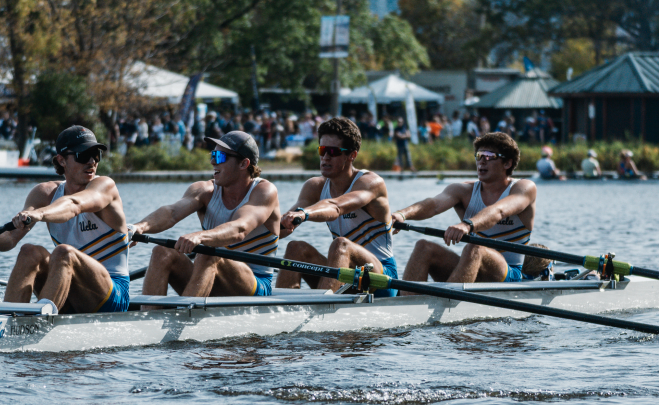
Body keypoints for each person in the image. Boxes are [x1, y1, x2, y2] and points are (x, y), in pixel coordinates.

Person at [0, 126, 132, 314]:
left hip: (113, 295)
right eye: (83, 155)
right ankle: (7, 320)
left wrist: (41, 214)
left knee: (64, 253)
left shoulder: (104, 186)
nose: (92, 161)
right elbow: (10, 239)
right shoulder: (43, 193)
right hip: (69, 289)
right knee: (29, 252)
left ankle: (40, 322)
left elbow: (74, 204)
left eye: (96, 154)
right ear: (61, 160)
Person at [133, 131, 280, 305]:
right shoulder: (205, 190)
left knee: (208, 253)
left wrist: (200, 236)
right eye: (213, 154)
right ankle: (149, 319)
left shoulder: (264, 192)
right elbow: (172, 212)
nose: (212, 161)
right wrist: (138, 227)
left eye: (220, 156)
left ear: (243, 163)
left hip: (255, 286)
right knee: (161, 252)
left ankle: (183, 322)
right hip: (209, 276)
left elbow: (240, 228)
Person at [392, 132, 536, 288]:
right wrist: (402, 214)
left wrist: (467, 225)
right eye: (479, 155)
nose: (481, 161)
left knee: (476, 246)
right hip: (471, 266)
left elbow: (498, 211)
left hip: (510, 274)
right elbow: (433, 205)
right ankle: (408, 301)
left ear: (507, 163)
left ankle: (448, 304)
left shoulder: (524, 188)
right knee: (423, 247)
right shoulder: (463, 190)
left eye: (488, 156)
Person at [275, 117, 399, 297]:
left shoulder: (371, 183)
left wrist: (304, 214)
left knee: (341, 245)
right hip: (345, 273)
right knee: (295, 248)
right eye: (322, 150)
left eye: (333, 152)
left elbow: (336, 207)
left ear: (352, 155)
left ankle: (321, 312)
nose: (325, 157)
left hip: (381, 277)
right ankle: (278, 310)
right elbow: (284, 226)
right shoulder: (314, 187)